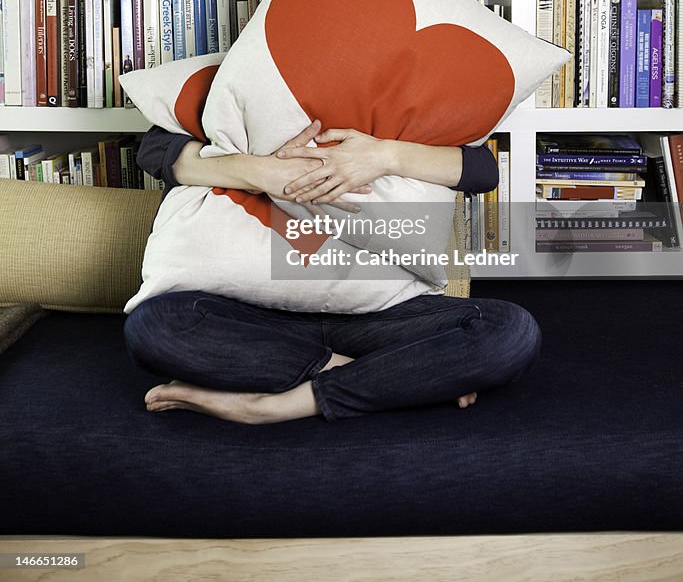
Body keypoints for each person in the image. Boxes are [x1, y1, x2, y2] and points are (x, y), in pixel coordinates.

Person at [124, 119, 542, 424]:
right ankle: (391, 378)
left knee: (511, 330)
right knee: (154, 326)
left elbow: (482, 170)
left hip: (381, 319)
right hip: (257, 320)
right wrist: (255, 171)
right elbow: (156, 149)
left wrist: (382, 155)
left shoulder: (407, 100)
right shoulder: (241, 89)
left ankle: (270, 407)